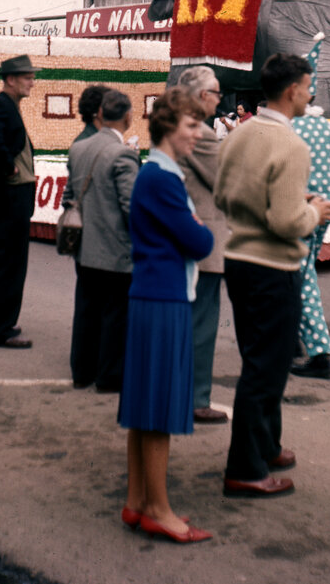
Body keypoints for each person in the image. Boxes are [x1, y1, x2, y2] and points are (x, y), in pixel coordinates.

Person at [214, 54, 330, 498]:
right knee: (268, 368)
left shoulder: (239, 134)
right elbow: (286, 222)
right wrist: (314, 211)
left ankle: (267, 445)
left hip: (238, 258)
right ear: (292, 90)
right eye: (308, 86)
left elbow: (223, 194)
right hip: (273, 266)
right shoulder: (290, 144)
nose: (311, 94)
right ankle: (246, 468)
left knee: (260, 361)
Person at [118, 87, 214, 544]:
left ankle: (138, 500)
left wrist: (194, 228)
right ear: (168, 127)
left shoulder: (155, 173)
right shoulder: (163, 178)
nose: (199, 133)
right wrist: (199, 228)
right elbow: (199, 242)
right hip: (164, 298)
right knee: (158, 408)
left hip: (151, 295)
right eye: (192, 125)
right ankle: (158, 509)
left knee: (145, 405)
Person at [63, 90, 139, 393]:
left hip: (84, 246)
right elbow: (131, 206)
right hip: (116, 248)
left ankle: (82, 372)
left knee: (86, 309)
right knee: (115, 314)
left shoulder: (79, 148)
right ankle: (109, 377)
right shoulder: (123, 154)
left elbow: (69, 196)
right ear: (128, 117)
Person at [289, 38, 330, 380]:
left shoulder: (289, 127)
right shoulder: (328, 130)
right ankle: (296, 340)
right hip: (326, 211)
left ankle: (319, 351)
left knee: (300, 277)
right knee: (302, 272)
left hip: (298, 210)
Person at [174, 67, 231, 424]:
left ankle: (184, 392)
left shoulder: (178, 125)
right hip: (205, 239)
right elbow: (227, 181)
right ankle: (196, 398)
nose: (219, 99)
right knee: (202, 324)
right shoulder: (201, 133)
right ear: (200, 96)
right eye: (215, 92)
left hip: (187, 233)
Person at [0, 55, 38, 348]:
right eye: (27, 77)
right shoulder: (1, 105)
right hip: (9, 197)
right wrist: (9, 168)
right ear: (11, 79)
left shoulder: (6, 105)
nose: (32, 83)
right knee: (9, 264)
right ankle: (1, 329)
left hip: (8, 197)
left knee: (2, 261)